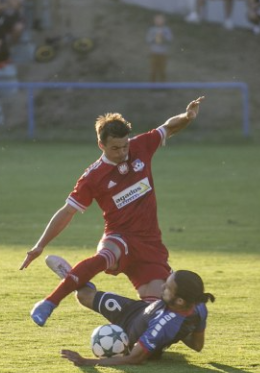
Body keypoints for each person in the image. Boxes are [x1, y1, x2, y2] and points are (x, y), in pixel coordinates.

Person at [20, 96, 206, 326]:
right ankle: (49, 302)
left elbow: (169, 127)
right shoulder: (93, 177)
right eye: (115, 148)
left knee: (157, 314)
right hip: (119, 236)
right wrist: (40, 245)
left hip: (151, 245)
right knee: (106, 256)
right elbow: (67, 212)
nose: (122, 152)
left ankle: (81, 283)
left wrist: (187, 117)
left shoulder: (140, 147)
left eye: (125, 146)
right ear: (102, 146)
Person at [47, 256, 214, 367]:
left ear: (179, 301)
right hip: (136, 310)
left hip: (129, 334)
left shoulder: (162, 325)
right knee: (84, 297)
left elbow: (134, 358)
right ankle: (77, 283)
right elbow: (197, 345)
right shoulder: (199, 306)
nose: (163, 287)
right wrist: (180, 329)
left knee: (83, 295)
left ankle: (75, 282)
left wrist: (87, 362)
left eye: (168, 288)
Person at [146, 13, 173, 83]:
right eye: (157, 20)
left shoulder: (166, 30)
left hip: (163, 53)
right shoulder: (152, 30)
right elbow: (148, 40)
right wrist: (154, 37)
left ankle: (163, 86)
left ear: (164, 21)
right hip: (154, 53)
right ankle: (152, 86)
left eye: (160, 20)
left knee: (162, 70)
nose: (158, 21)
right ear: (154, 21)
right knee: (153, 70)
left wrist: (163, 36)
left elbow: (170, 40)